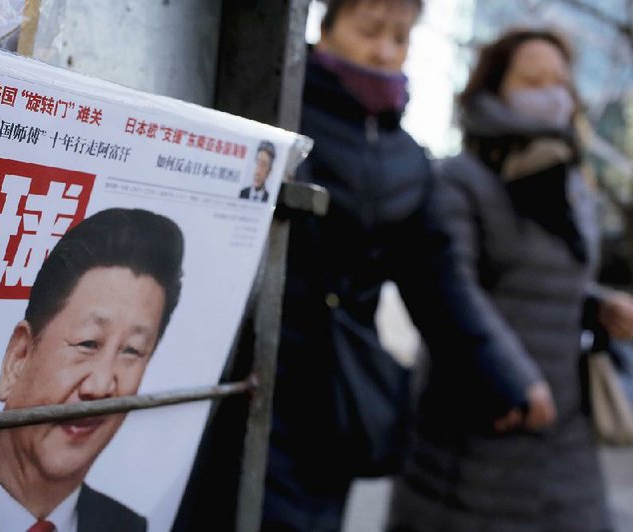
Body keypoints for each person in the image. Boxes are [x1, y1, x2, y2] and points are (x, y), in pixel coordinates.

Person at [263, 0, 522, 529]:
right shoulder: (273, 103)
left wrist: (503, 377)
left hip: (329, 392)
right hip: (245, 363)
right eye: (369, 30)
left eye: (400, 38)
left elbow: (440, 282)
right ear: (327, 28)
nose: (384, 50)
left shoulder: (407, 159)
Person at [388, 28, 633, 531]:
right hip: (482, 424)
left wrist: (597, 305)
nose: (551, 92)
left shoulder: (573, 185)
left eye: (559, 81)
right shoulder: (460, 179)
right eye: (531, 79)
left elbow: (545, 278)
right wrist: (510, 379)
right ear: (495, 88)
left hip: (566, 429)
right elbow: (446, 285)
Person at [0, 208, 185, 532]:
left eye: (131, 351)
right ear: (18, 357)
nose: (101, 386)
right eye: (88, 343)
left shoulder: (129, 526)